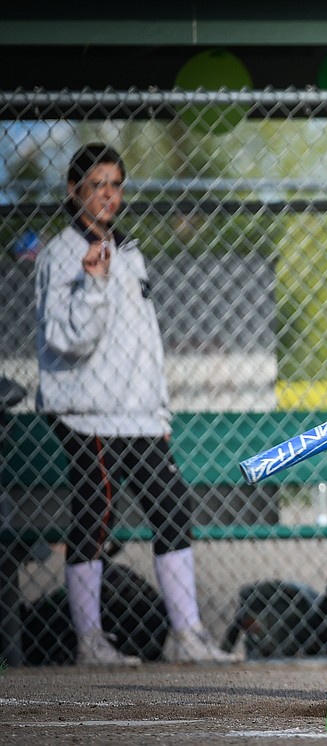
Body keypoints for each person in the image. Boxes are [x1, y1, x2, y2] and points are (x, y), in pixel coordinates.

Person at [34, 144, 235, 666]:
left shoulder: (130, 251)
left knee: (172, 509)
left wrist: (158, 411)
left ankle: (187, 635)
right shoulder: (60, 255)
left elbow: (147, 343)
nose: (108, 195)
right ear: (74, 190)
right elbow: (66, 340)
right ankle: (90, 640)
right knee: (96, 516)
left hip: (138, 413)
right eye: (97, 184)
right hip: (87, 412)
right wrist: (93, 285)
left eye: (116, 184)